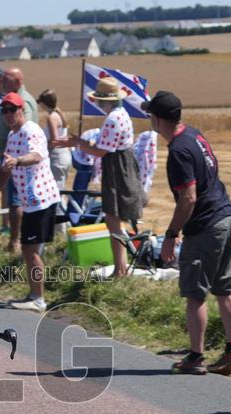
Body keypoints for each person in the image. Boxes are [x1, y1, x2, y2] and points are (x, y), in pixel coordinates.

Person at [144, 90, 231, 375]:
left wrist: (171, 234)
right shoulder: (195, 134)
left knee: (195, 294)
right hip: (227, 216)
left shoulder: (178, 151)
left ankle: (196, 356)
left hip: (205, 226)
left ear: (157, 119)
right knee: (226, 288)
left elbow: (188, 198)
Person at [59, 78, 143, 277]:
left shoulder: (113, 119)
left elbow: (101, 151)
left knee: (112, 219)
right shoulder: (121, 114)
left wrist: (78, 143)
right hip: (119, 166)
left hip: (116, 169)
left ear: (105, 101)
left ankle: (120, 269)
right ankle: (121, 267)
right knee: (114, 220)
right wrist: (80, 141)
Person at [0, 92, 61, 313]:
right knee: (30, 250)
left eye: (12, 109)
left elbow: (36, 155)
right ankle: (34, 295)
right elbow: (5, 171)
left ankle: (38, 299)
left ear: (22, 110)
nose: (8, 114)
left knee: (30, 250)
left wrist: (18, 160)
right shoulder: (12, 135)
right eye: (4, 110)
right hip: (30, 201)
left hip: (40, 200)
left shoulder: (31, 130)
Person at [0, 68, 39, 254]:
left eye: (7, 79)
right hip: (15, 157)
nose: (2, 81)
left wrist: (16, 158)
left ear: (18, 81)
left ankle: (16, 241)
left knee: (16, 202)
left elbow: (23, 130)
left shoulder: (22, 101)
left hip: (20, 160)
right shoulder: (16, 97)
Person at [37, 89, 70, 191]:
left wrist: (39, 146)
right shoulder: (59, 114)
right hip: (64, 155)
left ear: (44, 103)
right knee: (60, 188)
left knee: (56, 190)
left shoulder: (51, 117)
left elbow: (54, 141)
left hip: (56, 157)